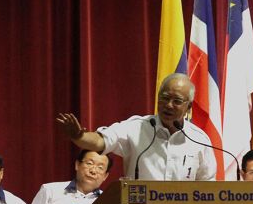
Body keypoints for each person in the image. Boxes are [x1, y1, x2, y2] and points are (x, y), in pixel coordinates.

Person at [56, 73, 216, 181]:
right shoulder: (137, 127)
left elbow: (208, 188)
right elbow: (100, 141)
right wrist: (79, 136)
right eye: (164, 98)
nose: (168, 105)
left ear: (189, 107)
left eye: (177, 101)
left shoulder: (199, 139)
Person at [29, 150, 112, 204]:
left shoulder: (108, 202)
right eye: (89, 163)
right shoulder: (50, 191)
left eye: (100, 167)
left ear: (105, 176)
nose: (93, 171)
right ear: (77, 165)